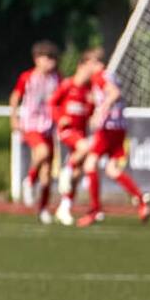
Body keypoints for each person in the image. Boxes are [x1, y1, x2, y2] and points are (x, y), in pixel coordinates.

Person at [80, 53, 150, 226]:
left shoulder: (99, 76)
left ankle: (95, 209)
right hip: (119, 127)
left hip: (108, 128)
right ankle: (141, 199)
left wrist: (99, 112)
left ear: (90, 63)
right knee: (112, 170)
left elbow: (114, 93)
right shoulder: (109, 75)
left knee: (89, 164)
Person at [9, 41, 61, 222]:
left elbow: (61, 99)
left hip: (48, 126)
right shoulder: (27, 77)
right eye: (46, 58)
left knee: (47, 172)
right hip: (30, 124)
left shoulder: (57, 78)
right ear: (36, 59)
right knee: (42, 152)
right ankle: (29, 181)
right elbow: (15, 97)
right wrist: (14, 118)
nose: (50, 62)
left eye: (52, 59)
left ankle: (43, 208)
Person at [50, 51, 99, 226]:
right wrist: (59, 118)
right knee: (84, 148)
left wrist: (93, 107)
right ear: (81, 66)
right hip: (67, 131)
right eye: (92, 64)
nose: (95, 68)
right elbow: (52, 103)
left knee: (78, 173)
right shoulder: (67, 85)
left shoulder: (90, 90)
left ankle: (64, 207)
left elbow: (90, 114)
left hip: (81, 133)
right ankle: (66, 170)